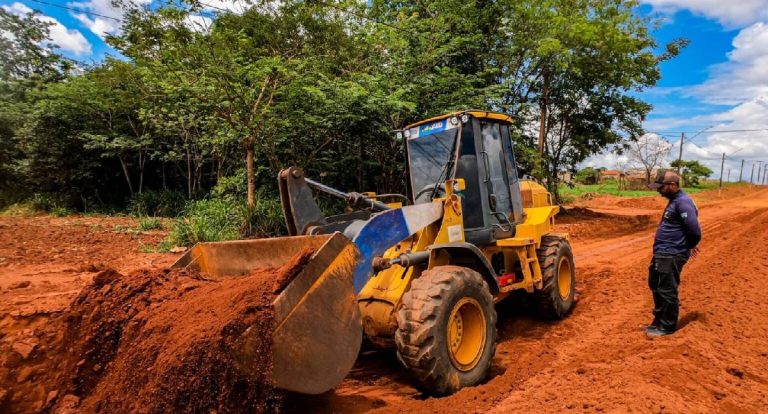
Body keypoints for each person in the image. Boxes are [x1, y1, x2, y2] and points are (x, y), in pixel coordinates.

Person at [645, 169, 701, 337]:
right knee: (655, 284)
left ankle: (667, 326)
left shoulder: (683, 202)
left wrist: (688, 246)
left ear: (673, 185)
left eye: (661, 187)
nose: (658, 190)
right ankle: (658, 320)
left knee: (667, 289)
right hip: (663, 252)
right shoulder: (674, 201)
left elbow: (694, 231)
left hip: (671, 253)